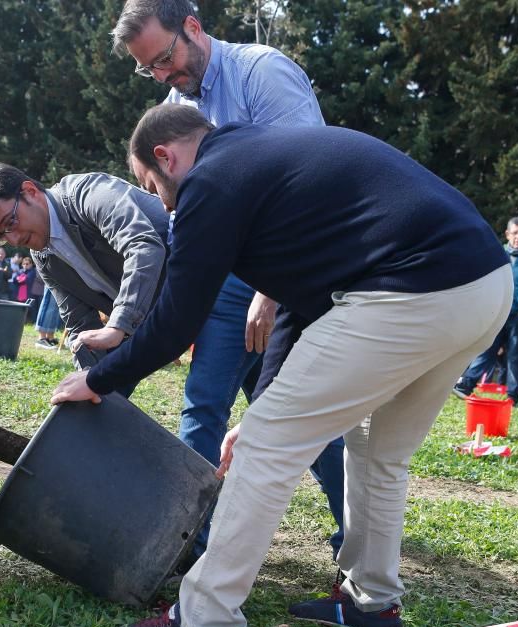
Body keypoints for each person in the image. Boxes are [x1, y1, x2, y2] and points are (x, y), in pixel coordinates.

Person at [52, 105, 511, 627]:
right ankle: (373, 601)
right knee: (376, 450)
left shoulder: (209, 182)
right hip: (483, 286)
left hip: (411, 288)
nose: (159, 200)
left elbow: (177, 320)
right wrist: (263, 404)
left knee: (267, 448)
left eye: (151, 185)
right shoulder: (260, 159)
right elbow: (301, 300)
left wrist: (100, 380)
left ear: (165, 156)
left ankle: (203, 619)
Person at [111, 0, 345, 559]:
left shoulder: (262, 73)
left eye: (165, 58)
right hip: (227, 273)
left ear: (193, 26)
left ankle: (348, 533)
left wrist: (272, 291)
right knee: (230, 405)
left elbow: (310, 178)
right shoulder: (177, 103)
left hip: (282, 269)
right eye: (151, 70)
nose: (164, 76)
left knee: (280, 411)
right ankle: (188, 539)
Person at [0, 165, 169, 375]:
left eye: (11, 222)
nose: (14, 240)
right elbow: (79, 322)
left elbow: (143, 247)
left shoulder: (90, 194)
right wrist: (85, 377)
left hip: (201, 288)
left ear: (30, 191)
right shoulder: (43, 257)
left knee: (200, 400)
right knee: (87, 394)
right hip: (168, 317)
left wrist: (118, 325)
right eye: (1, 236)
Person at [453, 216, 518, 405]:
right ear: (507, 234)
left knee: (515, 356)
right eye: (515, 233)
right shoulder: (500, 252)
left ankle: (513, 396)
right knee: (485, 348)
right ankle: (466, 384)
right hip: (498, 311)